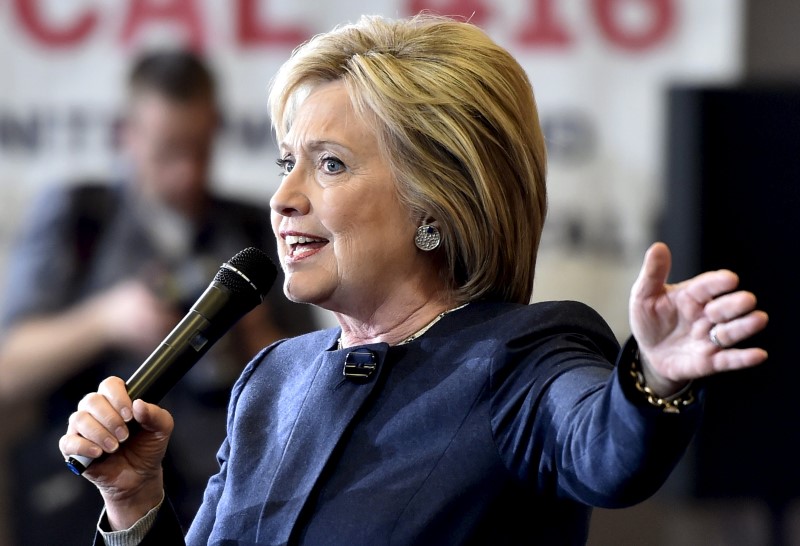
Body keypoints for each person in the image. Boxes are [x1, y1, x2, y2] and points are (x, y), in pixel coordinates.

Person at [58, 14, 769, 545]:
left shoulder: (521, 357)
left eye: (329, 164)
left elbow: (608, 453)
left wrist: (654, 380)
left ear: (434, 204)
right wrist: (134, 502)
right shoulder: (272, 380)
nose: (283, 198)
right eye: (286, 163)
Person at [0, 50, 317, 544]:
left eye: (201, 150)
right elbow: (9, 367)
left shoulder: (254, 226)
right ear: (128, 136)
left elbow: (313, 383)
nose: (188, 173)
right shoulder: (81, 217)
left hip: (223, 493)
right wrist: (105, 319)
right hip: (84, 493)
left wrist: (253, 335)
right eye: (169, 152)